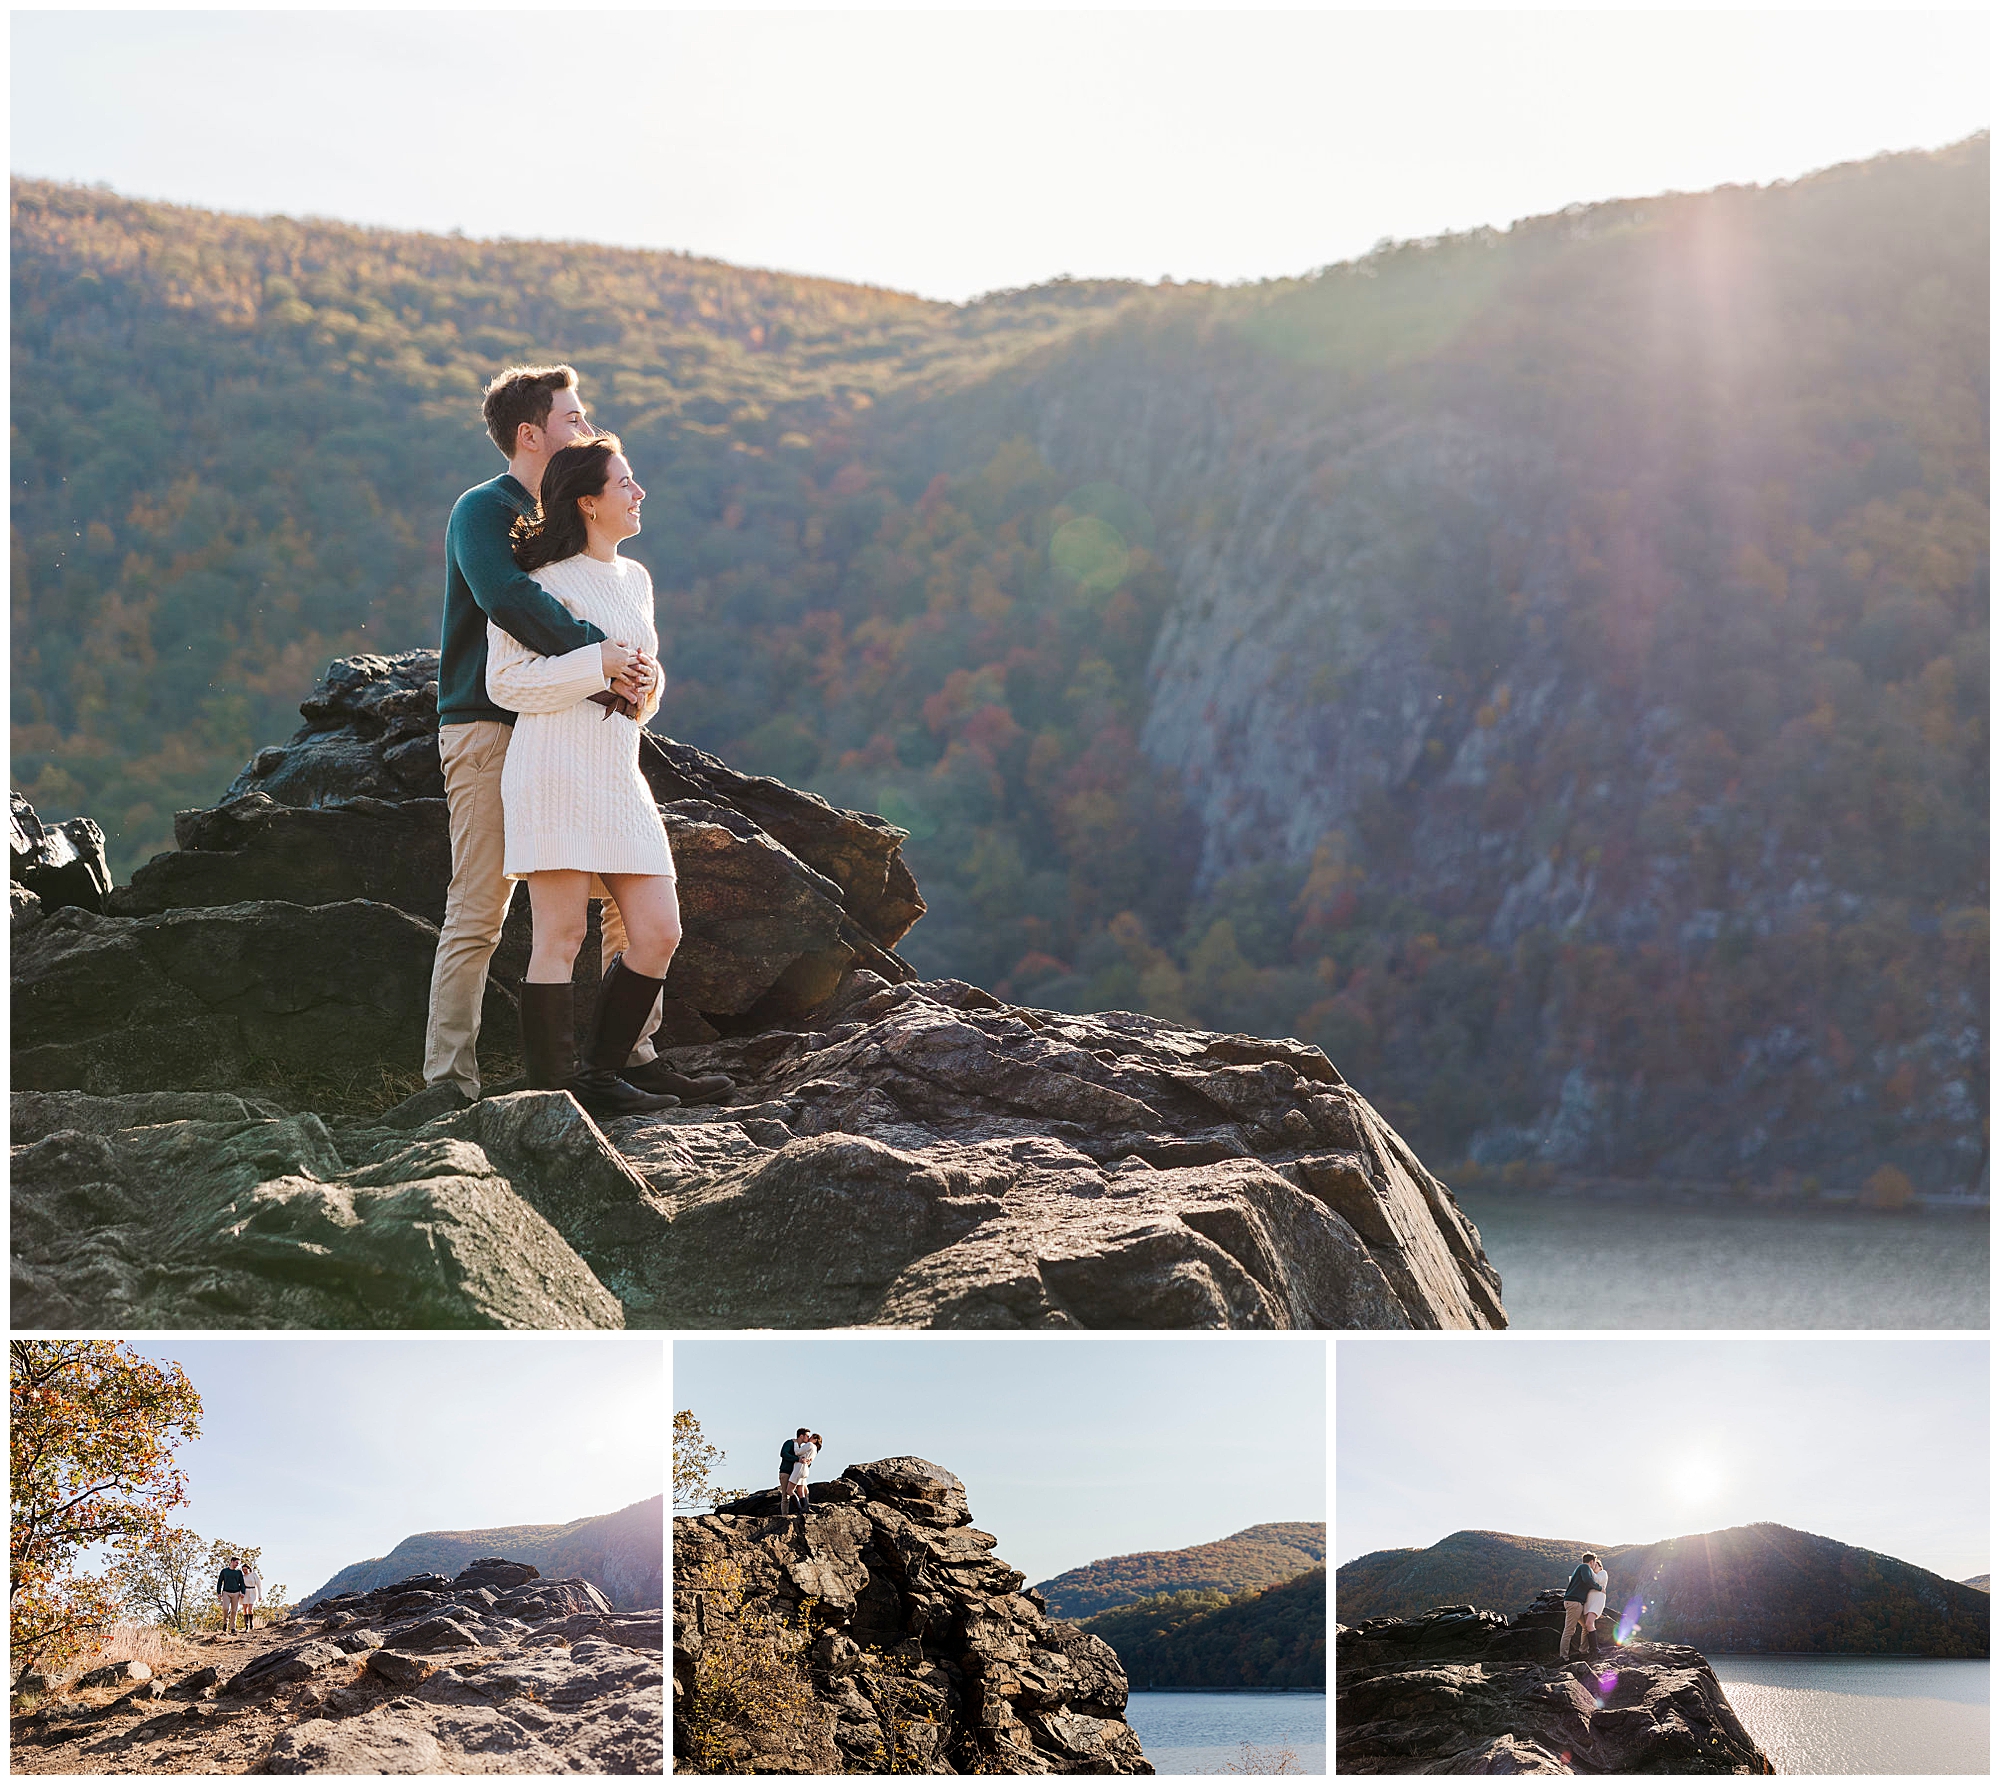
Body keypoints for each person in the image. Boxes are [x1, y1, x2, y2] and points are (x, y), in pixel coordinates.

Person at [409, 363, 726, 1119]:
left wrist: (630, 681)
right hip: (490, 726)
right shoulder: (486, 511)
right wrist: (604, 662)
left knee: (633, 912)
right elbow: (509, 601)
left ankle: (629, 1060)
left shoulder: (608, 553)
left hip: (583, 738)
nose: (585, 427)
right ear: (532, 433)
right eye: (574, 419)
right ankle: (452, 1080)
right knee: (483, 907)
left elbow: (632, 654)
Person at [487, 433, 726, 1116]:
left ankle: (602, 1073)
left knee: (659, 930)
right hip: (553, 768)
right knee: (560, 936)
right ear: (588, 502)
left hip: (617, 773)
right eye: (625, 482)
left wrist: (646, 683)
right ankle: (552, 1097)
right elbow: (505, 683)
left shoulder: (636, 579)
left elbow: (639, 693)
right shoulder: (538, 583)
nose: (638, 491)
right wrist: (598, 662)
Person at [1559, 1552, 1602, 1661]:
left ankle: (1583, 1651)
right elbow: (1587, 1580)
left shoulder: (1579, 1568)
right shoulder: (1584, 1567)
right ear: (1591, 1562)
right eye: (1594, 1564)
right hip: (1574, 1603)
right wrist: (1599, 1588)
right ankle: (1563, 1657)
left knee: (1586, 1626)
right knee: (1569, 1630)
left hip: (1575, 1602)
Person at [787, 1431, 822, 1516]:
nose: (809, 1438)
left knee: (789, 1490)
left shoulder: (810, 1445)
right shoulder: (815, 1450)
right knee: (800, 1491)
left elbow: (797, 1452)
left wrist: (795, 1443)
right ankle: (805, 1507)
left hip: (799, 1468)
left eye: (812, 1437)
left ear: (815, 1440)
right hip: (805, 1470)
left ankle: (799, 1509)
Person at [779, 1427, 810, 1514]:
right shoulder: (790, 1443)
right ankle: (785, 1516)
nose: (808, 1438)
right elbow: (783, 1453)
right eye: (807, 1436)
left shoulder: (801, 1448)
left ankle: (804, 1509)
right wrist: (797, 1459)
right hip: (786, 1471)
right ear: (801, 1436)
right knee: (785, 1496)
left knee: (804, 1491)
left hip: (796, 1473)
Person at [1583, 1556, 1610, 1657]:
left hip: (1597, 1600)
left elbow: (1597, 1580)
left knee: (1589, 1622)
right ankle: (1590, 1649)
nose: (1594, 1567)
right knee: (1587, 1625)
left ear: (1600, 1566)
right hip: (1588, 1601)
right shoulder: (1591, 1576)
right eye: (1593, 1565)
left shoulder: (1603, 1573)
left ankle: (1595, 1649)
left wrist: (1588, 1569)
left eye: (1596, 1565)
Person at [217, 1556, 249, 1635]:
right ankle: (225, 1623)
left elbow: (241, 1583)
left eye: (238, 1563)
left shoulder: (238, 1572)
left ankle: (233, 1627)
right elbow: (220, 1581)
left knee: (234, 1611)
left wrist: (243, 1592)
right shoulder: (224, 1571)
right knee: (225, 1608)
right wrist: (218, 1592)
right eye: (236, 1563)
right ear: (232, 1561)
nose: (237, 1564)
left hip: (236, 1592)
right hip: (226, 1592)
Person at [242, 1559, 263, 1631]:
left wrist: (260, 1595)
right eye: (243, 1570)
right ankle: (246, 1625)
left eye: (245, 1569)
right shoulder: (242, 1577)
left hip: (253, 1591)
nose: (244, 1571)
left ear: (248, 1569)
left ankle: (251, 1623)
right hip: (245, 1592)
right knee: (245, 1608)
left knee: (250, 1609)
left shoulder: (253, 1575)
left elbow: (259, 1585)